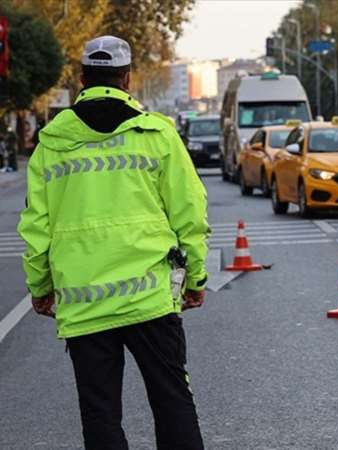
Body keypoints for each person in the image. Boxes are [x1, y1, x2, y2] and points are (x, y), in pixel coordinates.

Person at [17, 35, 208, 450]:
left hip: (86, 303)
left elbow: (36, 227)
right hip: (150, 298)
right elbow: (189, 211)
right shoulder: (156, 133)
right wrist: (196, 276)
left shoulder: (51, 142)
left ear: (83, 77)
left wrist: (40, 287)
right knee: (172, 400)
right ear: (127, 78)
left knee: (101, 414)